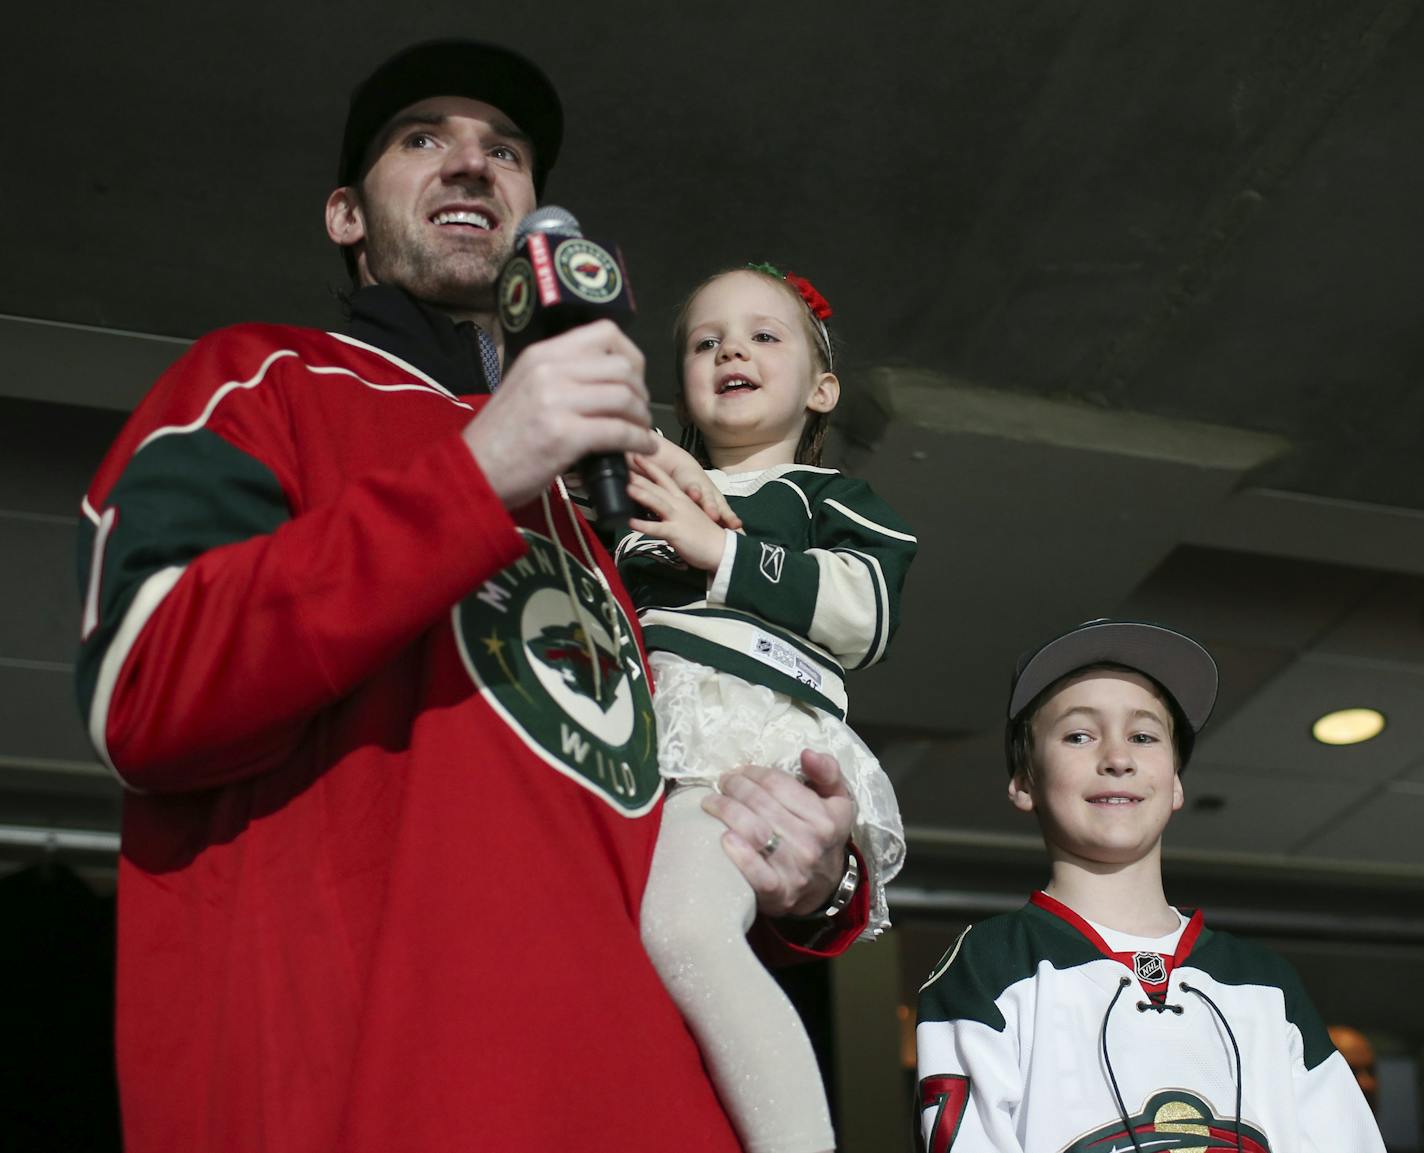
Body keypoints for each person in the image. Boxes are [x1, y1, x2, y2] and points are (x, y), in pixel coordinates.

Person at [74, 41, 869, 1153]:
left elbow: (626, 828)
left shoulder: (616, 501)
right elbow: (145, 696)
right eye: (423, 140)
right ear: (346, 215)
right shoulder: (262, 382)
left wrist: (805, 873)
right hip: (386, 1100)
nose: (470, 166)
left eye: (504, 153)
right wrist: (475, 472)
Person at [617, 264, 916, 1153]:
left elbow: (865, 611)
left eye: (762, 334)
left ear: (822, 386)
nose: (732, 350)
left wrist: (721, 552)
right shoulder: (630, 503)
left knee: (684, 925)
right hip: (635, 747)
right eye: (707, 342)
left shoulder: (831, 501)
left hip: (745, 740)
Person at [915, 620, 1386, 1153]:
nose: (1118, 758)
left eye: (1143, 736)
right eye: (1079, 735)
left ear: (1176, 781)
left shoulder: (1267, 986)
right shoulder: (988, 966)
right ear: (1025, 781)